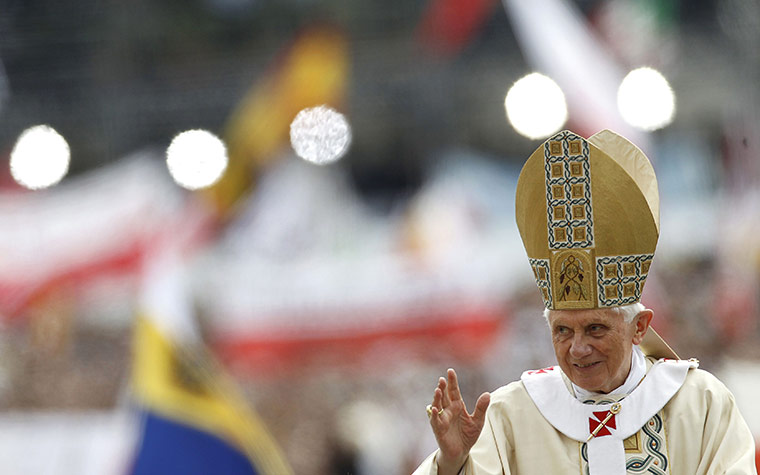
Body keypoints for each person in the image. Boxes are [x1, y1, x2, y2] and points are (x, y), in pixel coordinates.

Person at [413, 130, 757, 475]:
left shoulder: (700, 404)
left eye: (595, 329)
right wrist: (453, 462)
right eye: (563, 330)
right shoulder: (511, 415)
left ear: (639, 327)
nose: (578, 349)